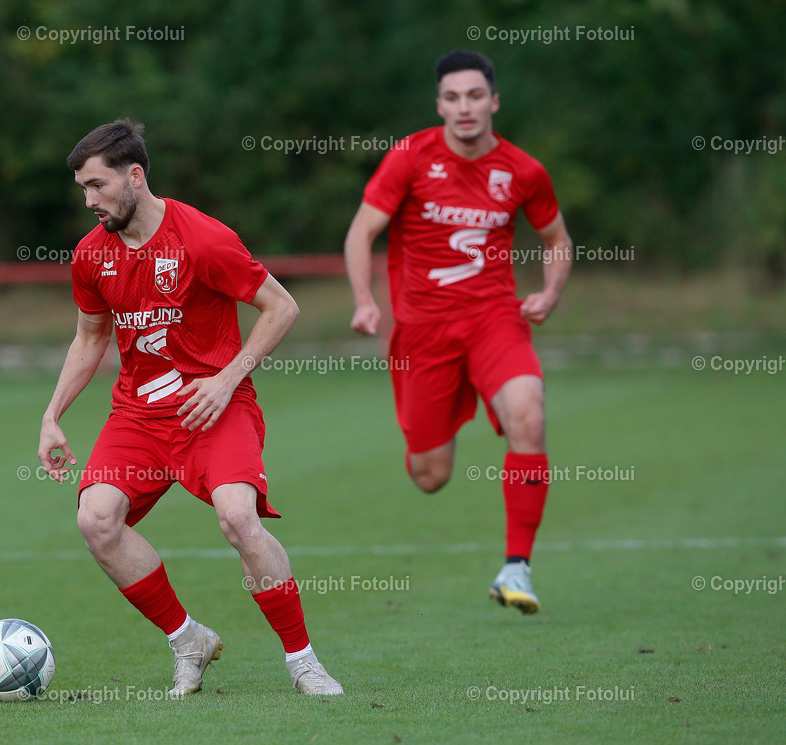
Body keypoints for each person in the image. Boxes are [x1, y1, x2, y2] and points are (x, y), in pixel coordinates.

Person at [38, 120, 342, 695]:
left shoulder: (202, 239)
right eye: (82, 188)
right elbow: (89, 338)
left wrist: (228, 380)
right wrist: (53, 416)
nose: (89, 200)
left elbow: (282, 308)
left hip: (214, 407)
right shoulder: (90, 257)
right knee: (96, 521)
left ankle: (302, 661)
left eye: (98, 186)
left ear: (135, 176)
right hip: (139, 415)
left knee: (237, 518)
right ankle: (188, 640)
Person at [344, 50, 573, 614]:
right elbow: (360, 233)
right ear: (439, 104)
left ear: (493, 101)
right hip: (423, 333)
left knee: (529, 411)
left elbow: (557, 240)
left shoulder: (524, 171)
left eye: (475, 96)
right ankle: (434, 431)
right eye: (452, 97)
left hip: (495, 319)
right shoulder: (411, 157)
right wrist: (365, 302)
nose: (464, 107)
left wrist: (549, 292)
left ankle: (516, 567)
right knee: (430, 476)